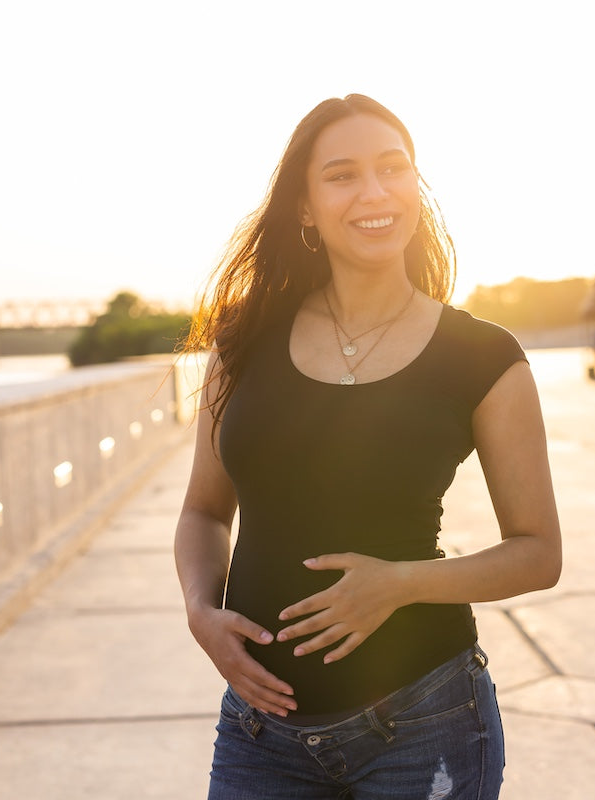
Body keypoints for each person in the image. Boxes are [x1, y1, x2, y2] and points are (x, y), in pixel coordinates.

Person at [174, 93, 562, 800]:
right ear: (304, 206)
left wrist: (401, 583)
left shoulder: (484, 358)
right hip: (261, 733)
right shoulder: (242, 343)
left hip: (427, 722)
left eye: (393, 168)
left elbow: (539, 552)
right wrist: (202, 612)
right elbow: (203, 510)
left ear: (416, 187)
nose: (375, 192)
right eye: (343, 175)